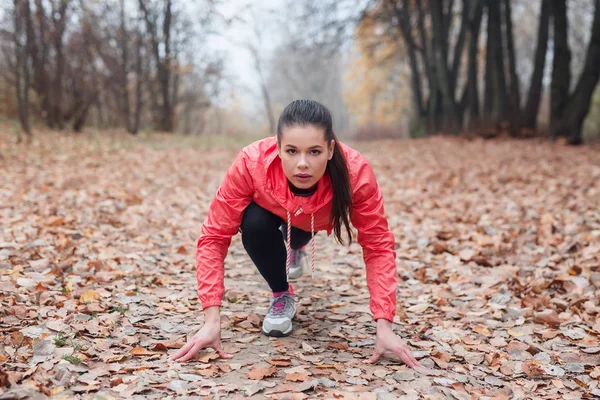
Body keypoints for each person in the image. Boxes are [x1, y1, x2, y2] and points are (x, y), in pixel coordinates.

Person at [170, 100, 421, 368]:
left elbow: (378, 246)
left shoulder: (356, 172)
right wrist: (211, 320)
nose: (303, 164)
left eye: (314, 151)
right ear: (278, 148)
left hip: (316, 219)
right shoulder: (250, 162)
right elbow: (214, 237)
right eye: (291, 151)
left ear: (330, 149)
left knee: (299, 235)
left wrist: (384, 326)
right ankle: (281, 295)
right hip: (273, 212)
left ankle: (296, 246)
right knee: (254, 223)